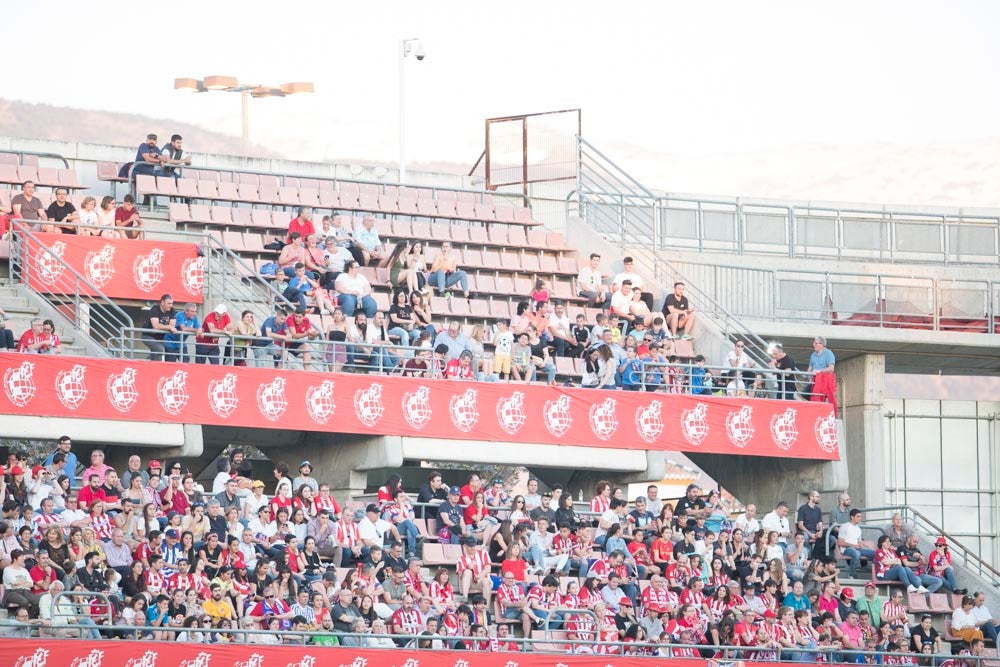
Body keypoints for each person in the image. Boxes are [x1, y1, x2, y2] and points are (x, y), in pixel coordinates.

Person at [837, 509, 876, 579]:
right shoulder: (845, 526)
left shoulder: (858, 529)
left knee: (876, 553)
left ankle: (875, 575)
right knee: (856, 553)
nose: (860, 518)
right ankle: (852, 575)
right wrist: (853, 546)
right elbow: (840, 542)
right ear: (852, 517)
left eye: (860, 516)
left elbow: (859, 541)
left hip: (857, 548)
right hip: (846, 549)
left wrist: (864, 545)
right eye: (858, 516)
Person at [144, 294, 179, 362]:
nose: (171, 305)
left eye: (171, 303)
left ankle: (149, 366)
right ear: (162, 302)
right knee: (159, 349)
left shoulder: (172, 310)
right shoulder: (155, 308)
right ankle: (156, 368)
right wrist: (168, 327)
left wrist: (168, 327)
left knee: (156, 353)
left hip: (160, 337)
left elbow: (172, 326)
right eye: (169, 303)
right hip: (148, 335)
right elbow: (156, 326)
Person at [808, 336, 838, 415]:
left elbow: (831, 368)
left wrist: (819, 371)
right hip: (814, 380)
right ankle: (816, 411)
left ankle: (822, 412)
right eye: (814, 343)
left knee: (822, 397)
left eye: (815, 343)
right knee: (806, 394)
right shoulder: (813, 355)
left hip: (824, 380)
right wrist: (809, 375)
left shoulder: (828, 353)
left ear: (822, 344)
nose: (813, 345)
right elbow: (810, 367)